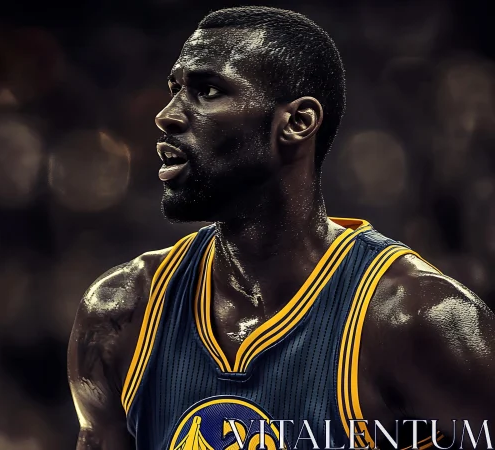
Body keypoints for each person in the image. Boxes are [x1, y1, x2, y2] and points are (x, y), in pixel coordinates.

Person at [67, 6, 495, 450]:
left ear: (297, 122)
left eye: (206, 90)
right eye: (174, 90)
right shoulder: (119, 312)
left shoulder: (417, 320)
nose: (167, 115)